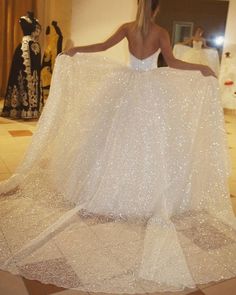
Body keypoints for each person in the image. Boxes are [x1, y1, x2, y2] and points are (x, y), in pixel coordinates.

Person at [0, 0, 235, 293]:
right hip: (150, 91)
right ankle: (147, 194)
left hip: (125, 88)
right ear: (157, 8)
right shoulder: (160, 31)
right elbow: (172, 63)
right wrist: (201, 69)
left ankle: (99, 188)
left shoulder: (127, 28)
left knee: (109, 142)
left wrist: (75, 50)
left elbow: (99, 47)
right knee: (154, 147)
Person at [1, 12, 43, 119]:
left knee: (36, 76)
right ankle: (23, 107)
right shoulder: (23, 19)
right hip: (24, 49)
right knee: (22, 76)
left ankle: (34, 108)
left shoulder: (36, 20)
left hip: (35, 49)